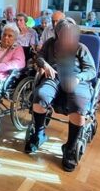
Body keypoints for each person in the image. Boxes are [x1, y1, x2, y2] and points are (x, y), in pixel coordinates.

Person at [25, 18, 96, 172]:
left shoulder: (80, 47)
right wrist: (45, 65)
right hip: (54, 77)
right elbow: (39, 57)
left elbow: (91, 70)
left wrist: (79, 78)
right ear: (58, 33)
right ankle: (39, 134)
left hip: (76, 79)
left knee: (78, 105)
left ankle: (69, 148)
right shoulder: (50, 44)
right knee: (40, 96)